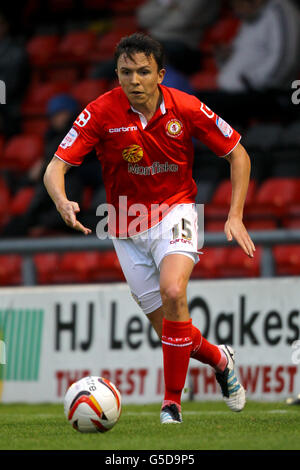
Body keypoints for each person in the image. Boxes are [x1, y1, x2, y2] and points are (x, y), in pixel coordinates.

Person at [43, 33, 255, 424]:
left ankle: (170, 404)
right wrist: (61, 199)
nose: (134, 80)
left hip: (177, 213)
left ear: (161, 74)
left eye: (143, 72)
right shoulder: (99, 112)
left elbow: (238, 154)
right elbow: (55, 168)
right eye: (126, 72)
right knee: (174, 332)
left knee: (174, 290)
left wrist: (235, 214)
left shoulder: (186, 107)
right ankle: (220, 358)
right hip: (126, 226)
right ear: (117, 74)